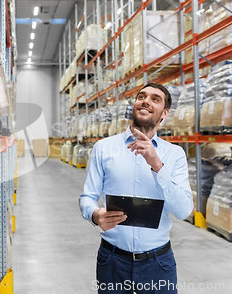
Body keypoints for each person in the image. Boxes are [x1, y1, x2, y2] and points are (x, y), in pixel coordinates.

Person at [79, 82, 193, 294]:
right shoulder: (104, 148)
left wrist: (157, 165)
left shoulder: (174, 154)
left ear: (164, 113)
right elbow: (87, 196)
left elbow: (184, 210)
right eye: (142, 96)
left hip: (158, 263)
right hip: (112, 261)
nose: (146, 101)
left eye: (155, 99)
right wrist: (94, 215)